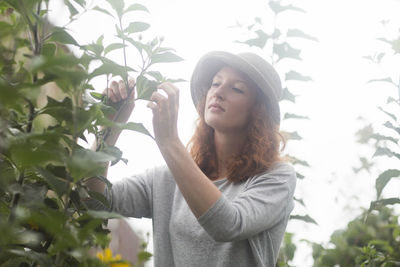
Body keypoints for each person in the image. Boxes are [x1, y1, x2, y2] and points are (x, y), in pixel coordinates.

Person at [86, 51, 297, 267]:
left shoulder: (277, 176)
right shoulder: (166, 180)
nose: (218, 92)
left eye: (237, 89)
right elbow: (92, 199)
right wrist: (108, 129)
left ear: (258, 111)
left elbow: (228, 224)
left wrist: (169, 142)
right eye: (215, 83)